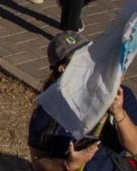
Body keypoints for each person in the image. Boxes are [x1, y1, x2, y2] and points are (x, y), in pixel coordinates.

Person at [28, 31, 137, 169]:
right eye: (81, 60)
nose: (90, 62)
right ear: (63, 68)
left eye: (91, 55)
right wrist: (69, 165)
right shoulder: (49, 109)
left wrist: (119, 112)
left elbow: (135, 147)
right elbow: (38, 162)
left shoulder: (120, 94)